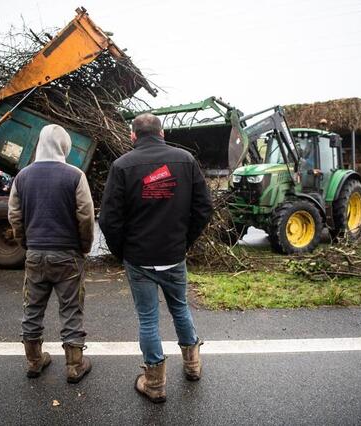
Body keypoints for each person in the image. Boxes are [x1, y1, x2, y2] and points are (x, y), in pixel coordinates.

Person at [99, 113, 213, 403]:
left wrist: (121, 252)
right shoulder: (185, 160)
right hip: (174, 255)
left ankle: (154, 384)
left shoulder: (122, 166)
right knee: (180, 309)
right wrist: (184, 242)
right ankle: (193, 366)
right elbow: (204, 208)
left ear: (133, 136)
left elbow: (110, 219)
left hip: (139, 259)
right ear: (162, 133)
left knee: (148, 319)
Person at [8, 124, 95, 383]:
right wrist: (84, 246)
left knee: (32, 308)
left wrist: (26, 243)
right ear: (64, 146)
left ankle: (34, 361)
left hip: (35, 253)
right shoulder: (75, 175)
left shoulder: (22, 176)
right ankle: (74, 365)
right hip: (68, 254)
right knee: (71, 309)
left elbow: (14, 215)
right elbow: (86, 216)